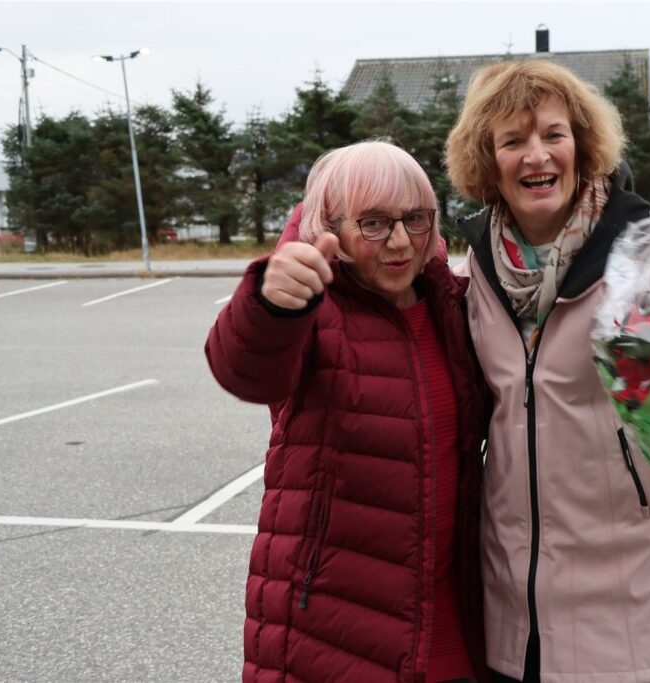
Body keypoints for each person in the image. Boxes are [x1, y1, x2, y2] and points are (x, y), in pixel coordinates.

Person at [444, 60, 650, 683]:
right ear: (487, 159)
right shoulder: (477, 266)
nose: (537, 156)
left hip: (628, 591)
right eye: (513, 141)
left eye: (553, 134)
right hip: (513, 596)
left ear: (582, 145)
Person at [206, 140, 487, 683]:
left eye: (415, 219)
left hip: (453, 633)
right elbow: (245, 367)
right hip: (333, 633)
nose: (401, 241)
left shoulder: (452, 306)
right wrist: (270, 300)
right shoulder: (317, 309)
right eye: (375, 224)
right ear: (330, 227)